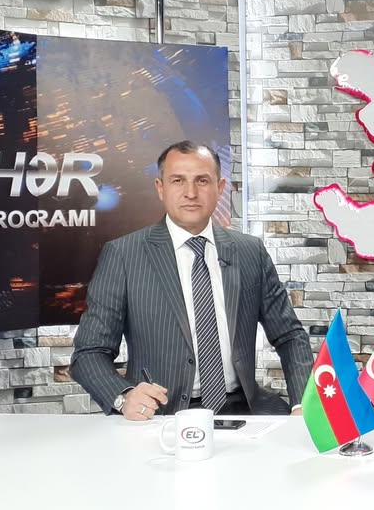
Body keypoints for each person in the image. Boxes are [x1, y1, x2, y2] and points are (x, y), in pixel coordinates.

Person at [70, 140, 314, 420]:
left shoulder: (250, 251)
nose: (191, 193)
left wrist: (302, 404)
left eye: (202, 180)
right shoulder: (124, 255)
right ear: (160, 188)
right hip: (162, 414)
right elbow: (89, 352)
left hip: (245, 409)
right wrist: (124, 396)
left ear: (220, 188)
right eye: (178, 181)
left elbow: (290, 335)